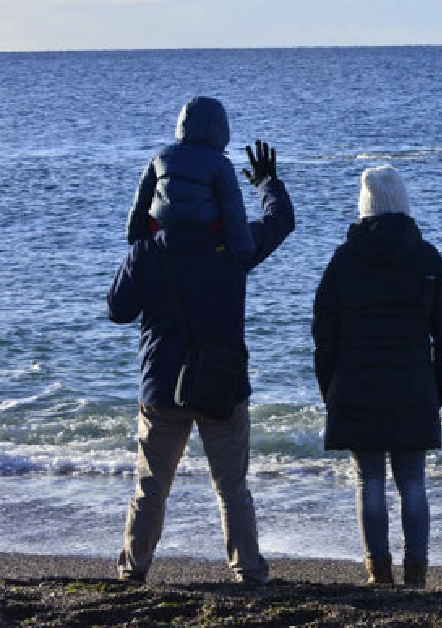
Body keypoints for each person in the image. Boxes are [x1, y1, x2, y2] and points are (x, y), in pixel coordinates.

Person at [108, 138, 295, 584]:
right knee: (232, 488)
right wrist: (268, 183)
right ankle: (248, 571)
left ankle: (133, 572)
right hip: (222, 384)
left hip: (159, 387)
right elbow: (281, 221)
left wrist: (138, 230)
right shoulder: (233, 248)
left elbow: (118, 310)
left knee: (151, 488)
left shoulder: (148, 251)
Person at [312, 165, 442, 587]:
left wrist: (331, 389)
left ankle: (378, 573)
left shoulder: (343, 260)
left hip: (356, 386)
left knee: (369, 480)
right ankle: (416, 573)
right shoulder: (427, 258)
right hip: (414, 385)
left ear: (365, 207)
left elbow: (324, 334)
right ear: (403, 204)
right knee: (412, 481)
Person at [125, 96, 254, 260]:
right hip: (205, 239)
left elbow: (140, 205)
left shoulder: (160, 158)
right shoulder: (220, 164)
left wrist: (135, 240)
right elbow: (233, 211)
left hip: (164, 238)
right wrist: (243, 251)